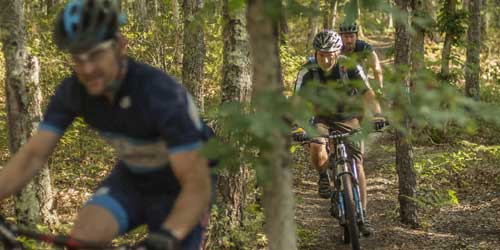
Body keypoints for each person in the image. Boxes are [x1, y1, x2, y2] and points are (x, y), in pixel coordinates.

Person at [0, 1, 214, 249]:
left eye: (96, 54)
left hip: (183, 186)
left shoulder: (160, 94)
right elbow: (32, 156)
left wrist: (167, 236)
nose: (87, 68)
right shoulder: (74, 92)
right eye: (78, 59)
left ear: (120, 46)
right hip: (134, 178)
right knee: (82, 238)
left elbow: (197, 183)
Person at [293, 29, 383, 236]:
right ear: (316, 53)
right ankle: (323, 175)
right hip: (320, 117)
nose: (326, 58)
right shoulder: (308, 70)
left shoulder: (349, 66)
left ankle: (363, 215)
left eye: (331, 53)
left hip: (348, 116)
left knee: (357, 163)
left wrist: (377, 115)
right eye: (322, 54)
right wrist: (296, 125)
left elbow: (367, 93)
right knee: (316, 145)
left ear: (338, 51)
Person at [338, 22, 384, 92]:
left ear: (356, 36)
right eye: (346, 37)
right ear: (341, 37)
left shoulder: (364, 48)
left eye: (351, 36)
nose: (349, 40)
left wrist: (379, 89)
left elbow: (376, 68)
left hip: (361, 83)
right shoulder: (336, 49)